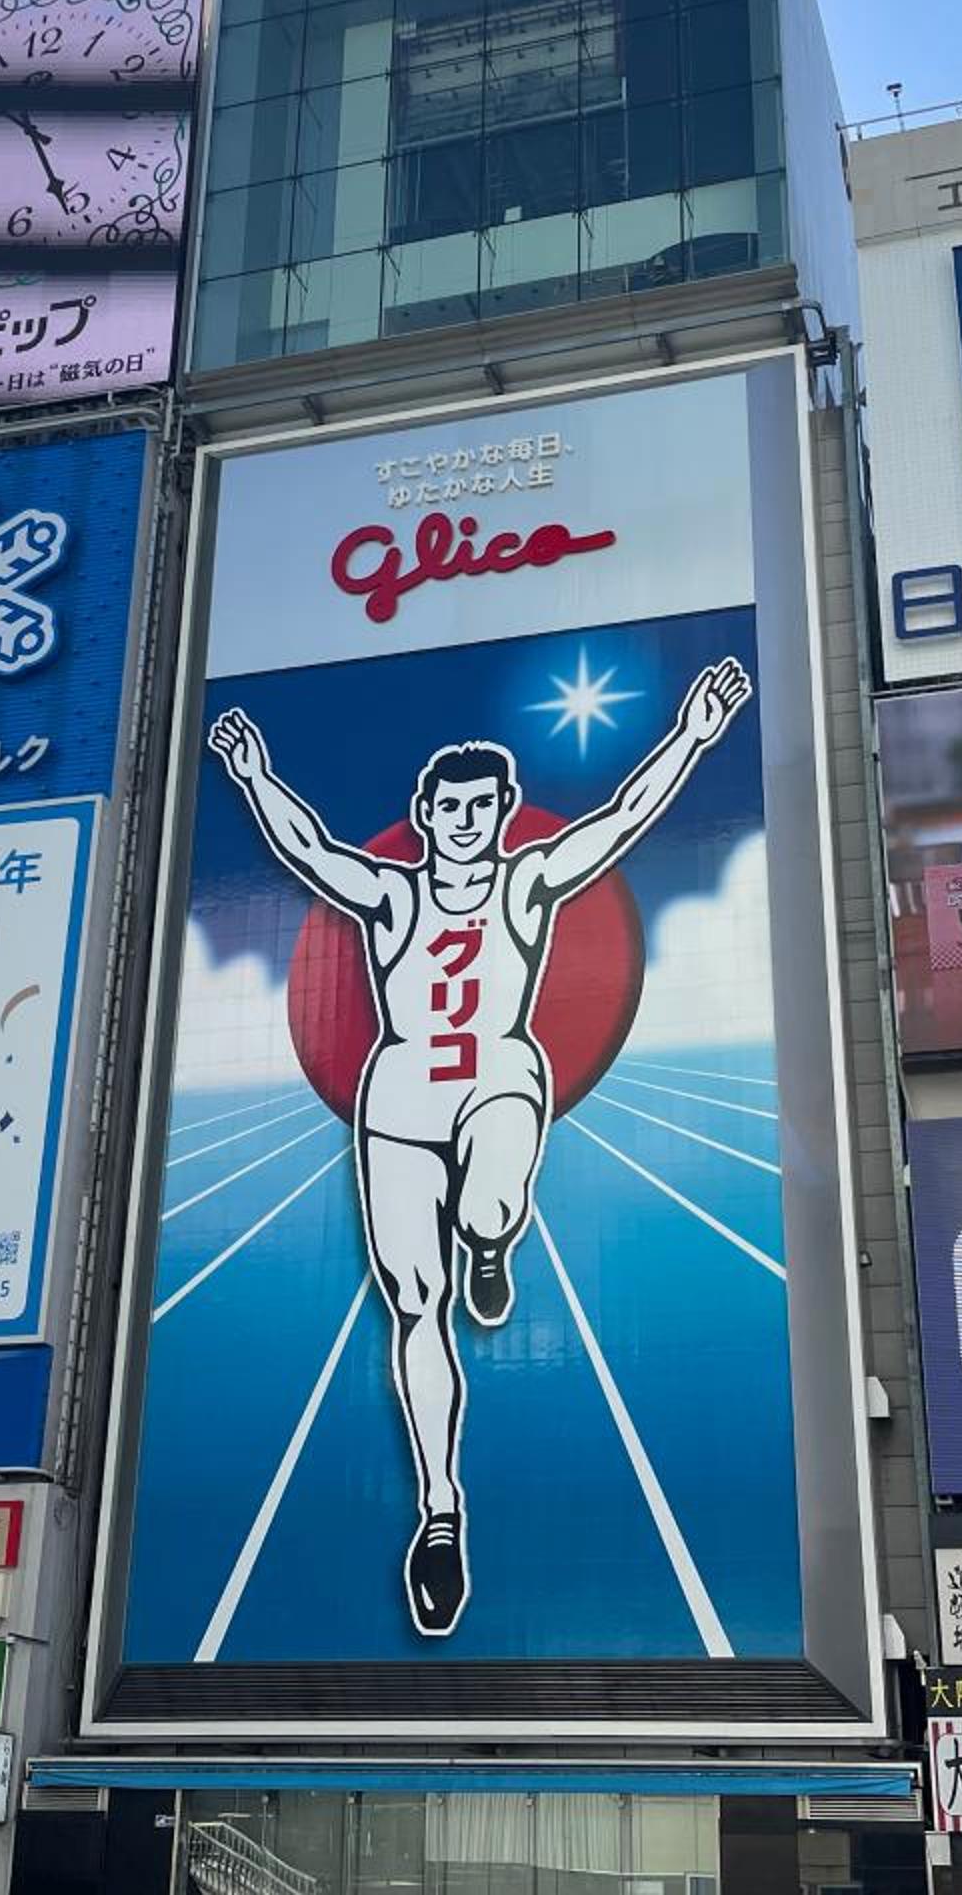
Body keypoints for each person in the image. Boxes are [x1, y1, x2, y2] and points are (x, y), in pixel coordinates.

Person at [206, 656, 749, 1637]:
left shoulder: (527, 882)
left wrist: (693, 734)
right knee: (416, 1303)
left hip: (498, 1070)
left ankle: (492, 1241)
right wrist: (253, 777)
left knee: (489, 1203)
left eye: (481, 806)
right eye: (449, 807)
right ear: (426, 814)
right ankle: (440, 1511)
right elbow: (308, 848)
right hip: (401, 1098)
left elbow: (623, 818)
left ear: (502, 813)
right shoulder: (390, 895)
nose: (465, 821)